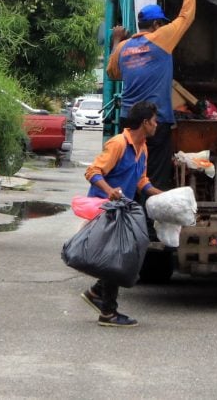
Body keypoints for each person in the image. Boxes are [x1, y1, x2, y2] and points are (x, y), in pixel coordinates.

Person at [107, 0, 195, 191]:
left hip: (129, 120)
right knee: (154, 176)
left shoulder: (124, 48)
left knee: (130, 173)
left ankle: (128, 221)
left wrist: (117, 39)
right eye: (161, 23)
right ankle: (149, 224)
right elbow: (186, 17)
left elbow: (112, 73)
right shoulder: (162, 37)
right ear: (156, 24)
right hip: (155, 122)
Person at [80, 100, 163, 327]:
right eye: (154, 121)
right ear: (145, 123)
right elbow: (93, 172)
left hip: (120, 210)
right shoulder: (118, 144)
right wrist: (110, 192)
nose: (157, 125)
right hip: (105, 208)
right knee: (115, 258)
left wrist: (163, 196)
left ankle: (97, 293)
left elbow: (141, 181)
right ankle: (108, 312)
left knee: (121, 254)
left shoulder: (142, 147)